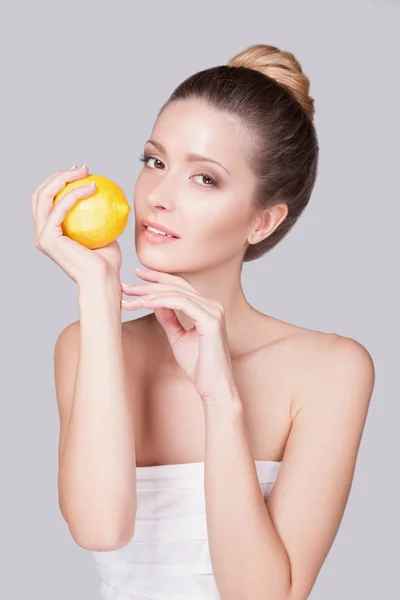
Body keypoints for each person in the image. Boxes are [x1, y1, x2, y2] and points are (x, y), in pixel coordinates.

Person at [31, 44, 375, 600]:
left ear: (263, 221)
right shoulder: (84, 345)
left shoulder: (331, 370)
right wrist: (98, 295)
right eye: (155, 161)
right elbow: (99, 528)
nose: (157, 197)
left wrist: (221, 399)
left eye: (205, 179)